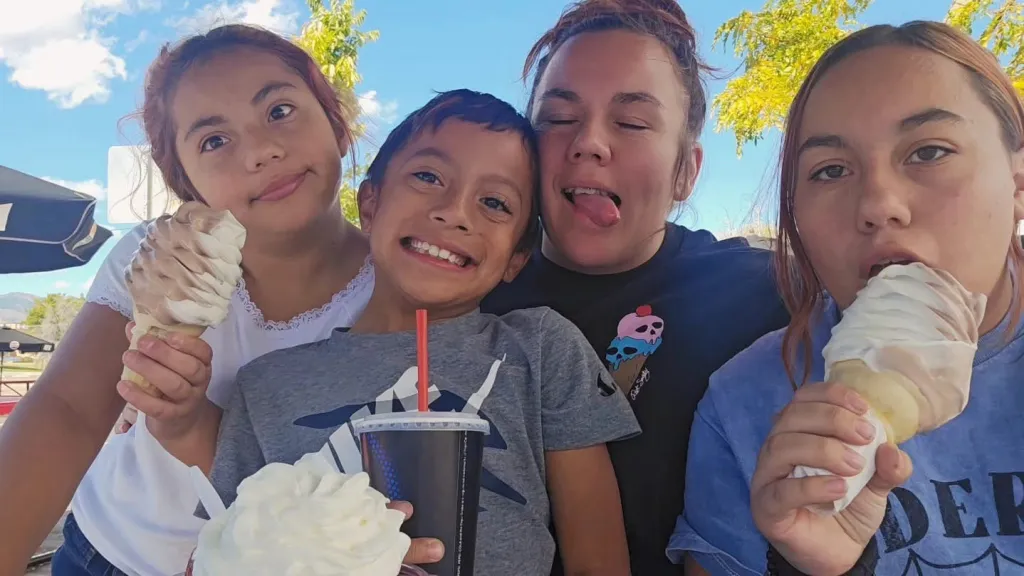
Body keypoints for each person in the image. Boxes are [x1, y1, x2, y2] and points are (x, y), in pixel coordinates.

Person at [0, 24, 396, 576]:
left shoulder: (401, 288)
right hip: (104, 553)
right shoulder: (157, 256)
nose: (261, 151)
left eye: (280, 110)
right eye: (214, 140)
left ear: (336, 123)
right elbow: (68, 410)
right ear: (187, 184)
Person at [203, 89, 640, 575]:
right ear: (370, 204)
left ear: (517, 259)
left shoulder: (541, 348)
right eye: (428, 177)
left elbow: (600, 563)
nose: (455, 212)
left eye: (495, 202)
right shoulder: (264, 387)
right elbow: (219, 555)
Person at [673, 21, 1024, 576]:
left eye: (929, 152)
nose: (878, 204)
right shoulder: (745, 405)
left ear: (1018, 184)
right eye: (831, 170)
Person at [481, 1, 789, 573]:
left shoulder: (769, 294)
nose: (589, 143)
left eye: (632, 123)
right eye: (558, 118)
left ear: (686, 171)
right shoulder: (467, 294)